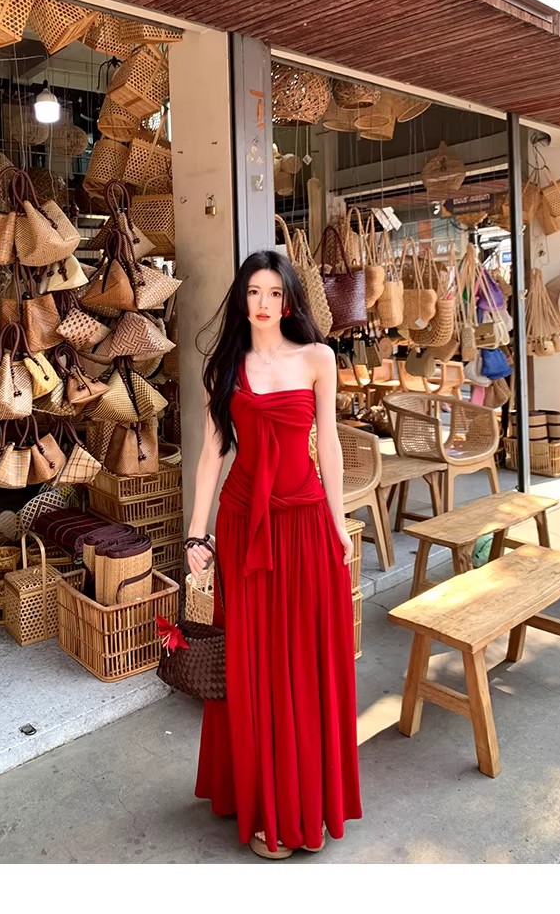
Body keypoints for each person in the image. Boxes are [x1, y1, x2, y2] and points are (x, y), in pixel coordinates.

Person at [186, 249, 362, 860]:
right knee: (253, 663)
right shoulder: (224, 366)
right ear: (242, 299)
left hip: (306, 523)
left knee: (305, 660)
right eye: (254, 292)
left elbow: (329, 445)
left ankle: (304, 802)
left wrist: (339, 524)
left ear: (289, 301)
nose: (263, 303)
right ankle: (267, 807)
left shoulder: (318, 358)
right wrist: (197, 533)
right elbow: (212, 453)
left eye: (274, 292)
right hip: (243, 526)